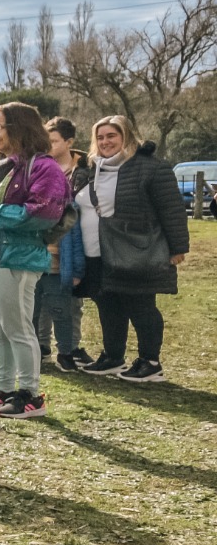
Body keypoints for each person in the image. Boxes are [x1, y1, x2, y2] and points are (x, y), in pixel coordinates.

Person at [0, 101, 68, 418]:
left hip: (16, 257)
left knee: (18, 328)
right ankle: (4, 388)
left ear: (19, 129)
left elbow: (45, 213)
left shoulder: (44, 167)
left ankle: (31, 396)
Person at [71, 113, 190, 383]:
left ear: (127, 136)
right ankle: (113, 357)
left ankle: (150, 362)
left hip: (135, 248)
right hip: (96, 250)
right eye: (100, 137)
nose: (105, 142)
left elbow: (171, 210)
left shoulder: (151, 168)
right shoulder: (91, 168)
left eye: (112, 135)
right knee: (107, 304)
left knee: (140, 304)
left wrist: (177, 247)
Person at [38, 117, 93, 371]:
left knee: (66, 304)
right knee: (39, 303)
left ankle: (69, 348)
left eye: (53, 141)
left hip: (71, 243)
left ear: (69, 142)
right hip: (43, 247)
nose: (48, 145)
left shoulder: (84, 172)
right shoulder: (39, 168)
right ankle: (40, 346)